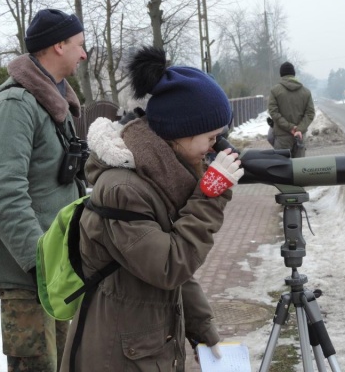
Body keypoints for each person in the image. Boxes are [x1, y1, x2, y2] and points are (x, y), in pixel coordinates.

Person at [61, 46, 243, 371]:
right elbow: (170, 266)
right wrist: (211, 195)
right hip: (116, 357)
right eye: (211, 137)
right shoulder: (123, 189)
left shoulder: (162, 178)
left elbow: (179, 278)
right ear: (180, 134)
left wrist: (202, 330)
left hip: (143, 349)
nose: (215, 147)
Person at [0, 8, 87, 372]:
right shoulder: (15, 104)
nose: (84, 54)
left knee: (64, 362)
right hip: (30, 275)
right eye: (80, 44)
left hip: (55, 270)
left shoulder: (52, 100)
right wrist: (41, 261)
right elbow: (0, 190)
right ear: (58, 45)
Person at [268, 61, 315, 158]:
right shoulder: (306, 92)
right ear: (294, 74)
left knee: (282, 165)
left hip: (282, 137)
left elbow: (274, 112)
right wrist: (299, 129)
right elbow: (310, 113)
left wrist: (290, 127)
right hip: (300, 136)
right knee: (299, 166)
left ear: (281, 74)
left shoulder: (275, 91)